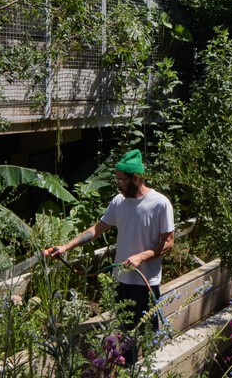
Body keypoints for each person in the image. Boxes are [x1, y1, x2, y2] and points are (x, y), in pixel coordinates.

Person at [48, 149, 174, 351]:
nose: (118, 185)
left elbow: (168, 242)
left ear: (135, 178)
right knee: (124, 337)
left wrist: (142, 256)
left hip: (146, 282)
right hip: (121, 279)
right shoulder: (118, 202)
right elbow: (97, 229)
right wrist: (65, 247)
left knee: (149, 337)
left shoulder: (160, 203)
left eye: (121, 180)